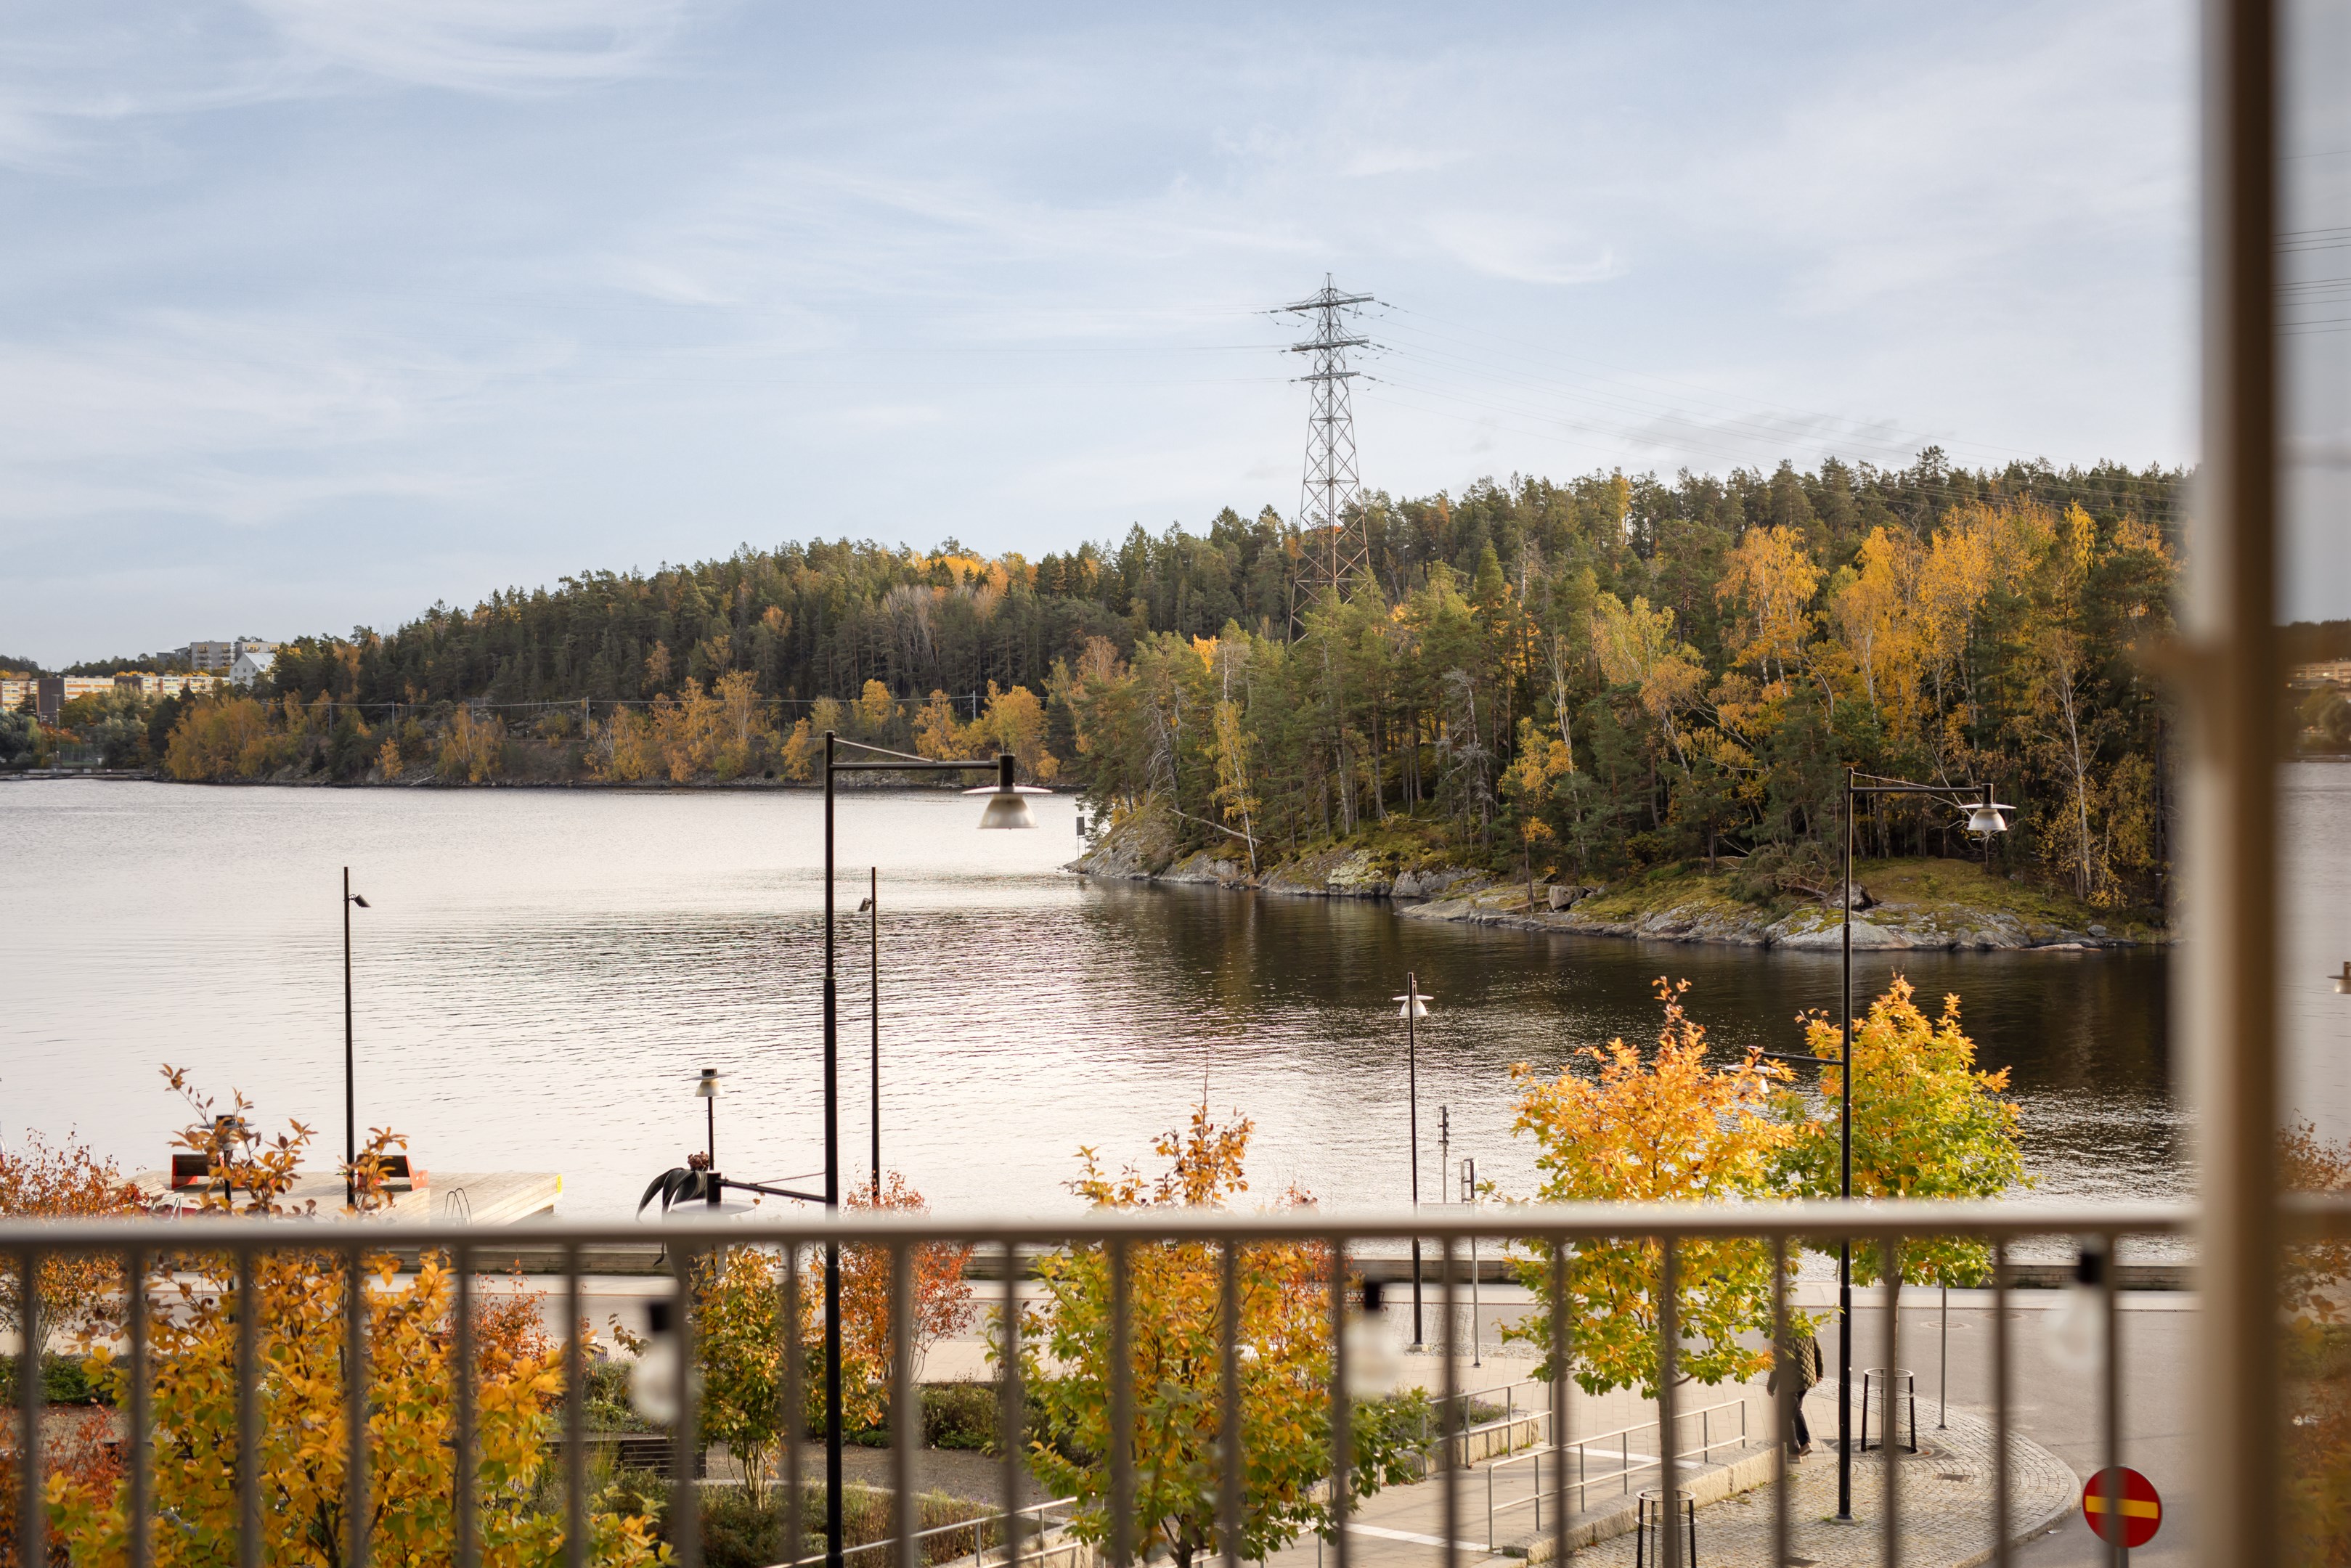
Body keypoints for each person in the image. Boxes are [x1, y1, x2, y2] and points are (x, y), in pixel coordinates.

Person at [1767, 1327, 1825, 1457]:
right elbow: (1818, 1351)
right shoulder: (1806, 1329)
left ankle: (1793, 1452)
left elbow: (1777, 1364)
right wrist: (1819, 1372)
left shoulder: (1781, 1336)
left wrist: (1771, 1386)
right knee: (1796, 1410)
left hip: (1791, 1382)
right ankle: (1805, 1444)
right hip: (1806, 1380)